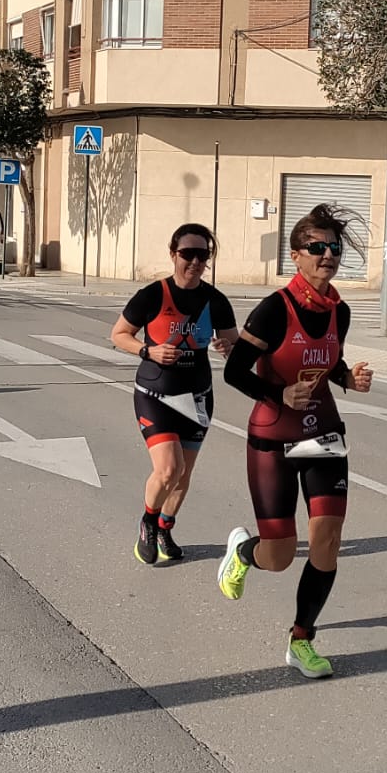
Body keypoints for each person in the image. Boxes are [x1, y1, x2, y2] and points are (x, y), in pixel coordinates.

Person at [216, 204, 374, 680]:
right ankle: (244, 552)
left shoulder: (338, 312)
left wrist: (349, 377)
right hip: (273, 437)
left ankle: (302, 638)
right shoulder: (273, 309)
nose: (328, 255)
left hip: (323, 433)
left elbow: (329, 366)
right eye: (317, 248)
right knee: (280, 556)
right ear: (296, 256)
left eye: (334, 248)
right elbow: (233, 370)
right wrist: (278, 393)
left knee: (327, 539)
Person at [110, 224, 237, 566]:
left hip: (197, 396)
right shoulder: (152, 295)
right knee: (169, 469)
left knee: (183, 475)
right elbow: (119, 334)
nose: (195, 261)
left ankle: (165, 527)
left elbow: (233, 342)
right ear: (173, 254)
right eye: (188, 254)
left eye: (203, 255)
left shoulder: (215, 300)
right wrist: (147, 351)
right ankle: (148, 523)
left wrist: (227, 347)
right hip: (155, 392)